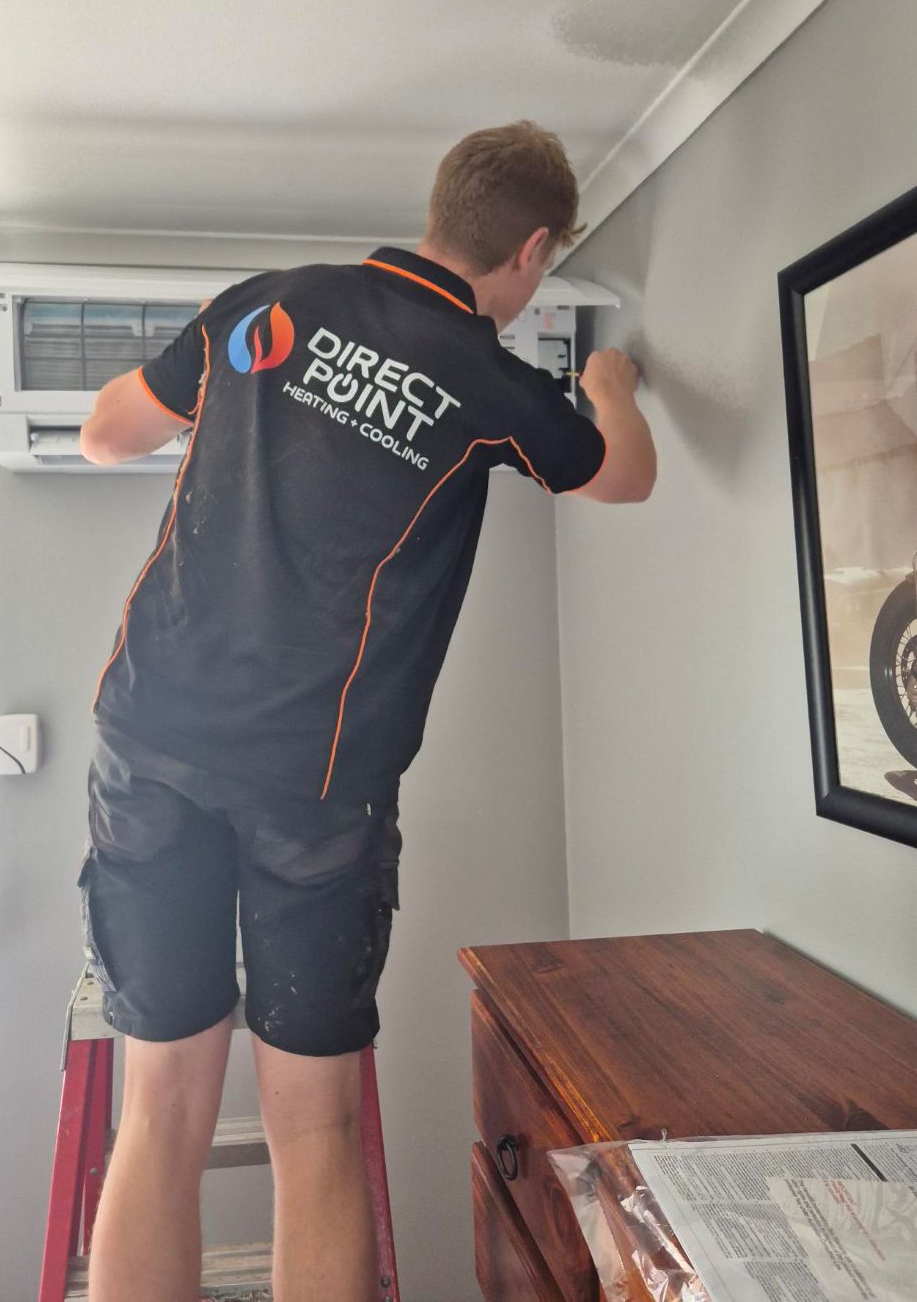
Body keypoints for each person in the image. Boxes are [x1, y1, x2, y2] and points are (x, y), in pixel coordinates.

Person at [76, 119, 656, 1302]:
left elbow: (101, 435)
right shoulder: (490, 383)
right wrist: (608, 386)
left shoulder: (269, 302)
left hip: (152, 740)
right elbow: (626, 473)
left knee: (159, 1112)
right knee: (313, 1131)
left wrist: (243, 416)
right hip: (314, 783)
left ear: (439, 208)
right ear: (531, 250)